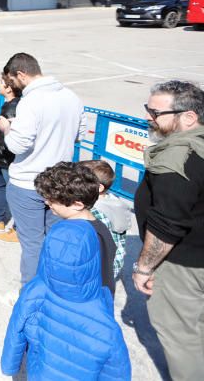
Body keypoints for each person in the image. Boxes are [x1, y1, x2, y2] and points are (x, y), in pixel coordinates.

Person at [132, 80, 204, 381]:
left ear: (188, 117)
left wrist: (144, 267)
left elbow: (167, 224)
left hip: (183, 264)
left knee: (182, 337)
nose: (148, 116)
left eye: (156, 112)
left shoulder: (178, 156)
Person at [0, 220, 131, 380]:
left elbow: (16, 330)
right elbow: (115, 372)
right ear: (94, 258)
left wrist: (10, 366)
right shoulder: (106, 324)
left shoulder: (34, 291)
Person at [0, 52, 86, 284]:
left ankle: (30, 293)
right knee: (53, 239)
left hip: (27, 183)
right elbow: (79, 136)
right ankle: (54, 284)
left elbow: (17, 145)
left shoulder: (30, 102)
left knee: (32, 243)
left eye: (12, 80)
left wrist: (8, 129)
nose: (11, 85)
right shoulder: (71, 97)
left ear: (21, 74)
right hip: (60, 181)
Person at [34, 161, 117, 294]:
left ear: (77, 204)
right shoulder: (101, 226)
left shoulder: (66, 237)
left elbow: (56, 281)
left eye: (52, 199)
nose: (46, 202)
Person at [86, 160, 132, 283]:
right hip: (113, 266)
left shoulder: (94, 211)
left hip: (98, 270)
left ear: (99, 187)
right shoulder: (114, 202)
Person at [0, 76, 20, 241]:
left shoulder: (12, 108)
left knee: (13, 193)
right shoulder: (10, 104)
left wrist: (0, 155)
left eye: (1, 83)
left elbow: (6, 139)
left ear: (9, 88)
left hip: (6, 158)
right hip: (2, 158)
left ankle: (18, 228)